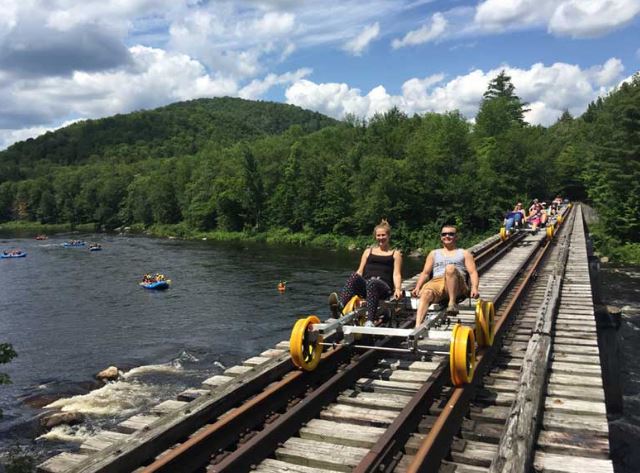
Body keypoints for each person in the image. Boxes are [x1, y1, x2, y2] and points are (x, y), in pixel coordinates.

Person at [329, 219, 403, 327]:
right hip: (367, 286)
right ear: (375, 236)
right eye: (378, 235)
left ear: (388, 236)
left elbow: (396, 274)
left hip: (383, 288)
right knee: (354, 276)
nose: (381, 238)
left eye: (383, 235)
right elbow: (360, 271)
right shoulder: (368, 252)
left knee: (373, 282)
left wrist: (398, 289)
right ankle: (340, 306)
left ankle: (370, 321)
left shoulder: (395, 254)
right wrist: (355, 281)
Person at [411, 224, 479, 328]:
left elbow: (473, 272)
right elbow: (425, 273)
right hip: (437, 283)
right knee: (426, 293)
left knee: (450, 268)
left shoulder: (464, 253)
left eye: (451, 234)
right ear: (441, 237)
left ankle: (452, 303)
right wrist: (417, 287)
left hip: (457, 283)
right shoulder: (434, 253)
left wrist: (474, 287)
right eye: (444, 234)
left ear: (456, 237)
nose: (447, 236)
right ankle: (417, 327)